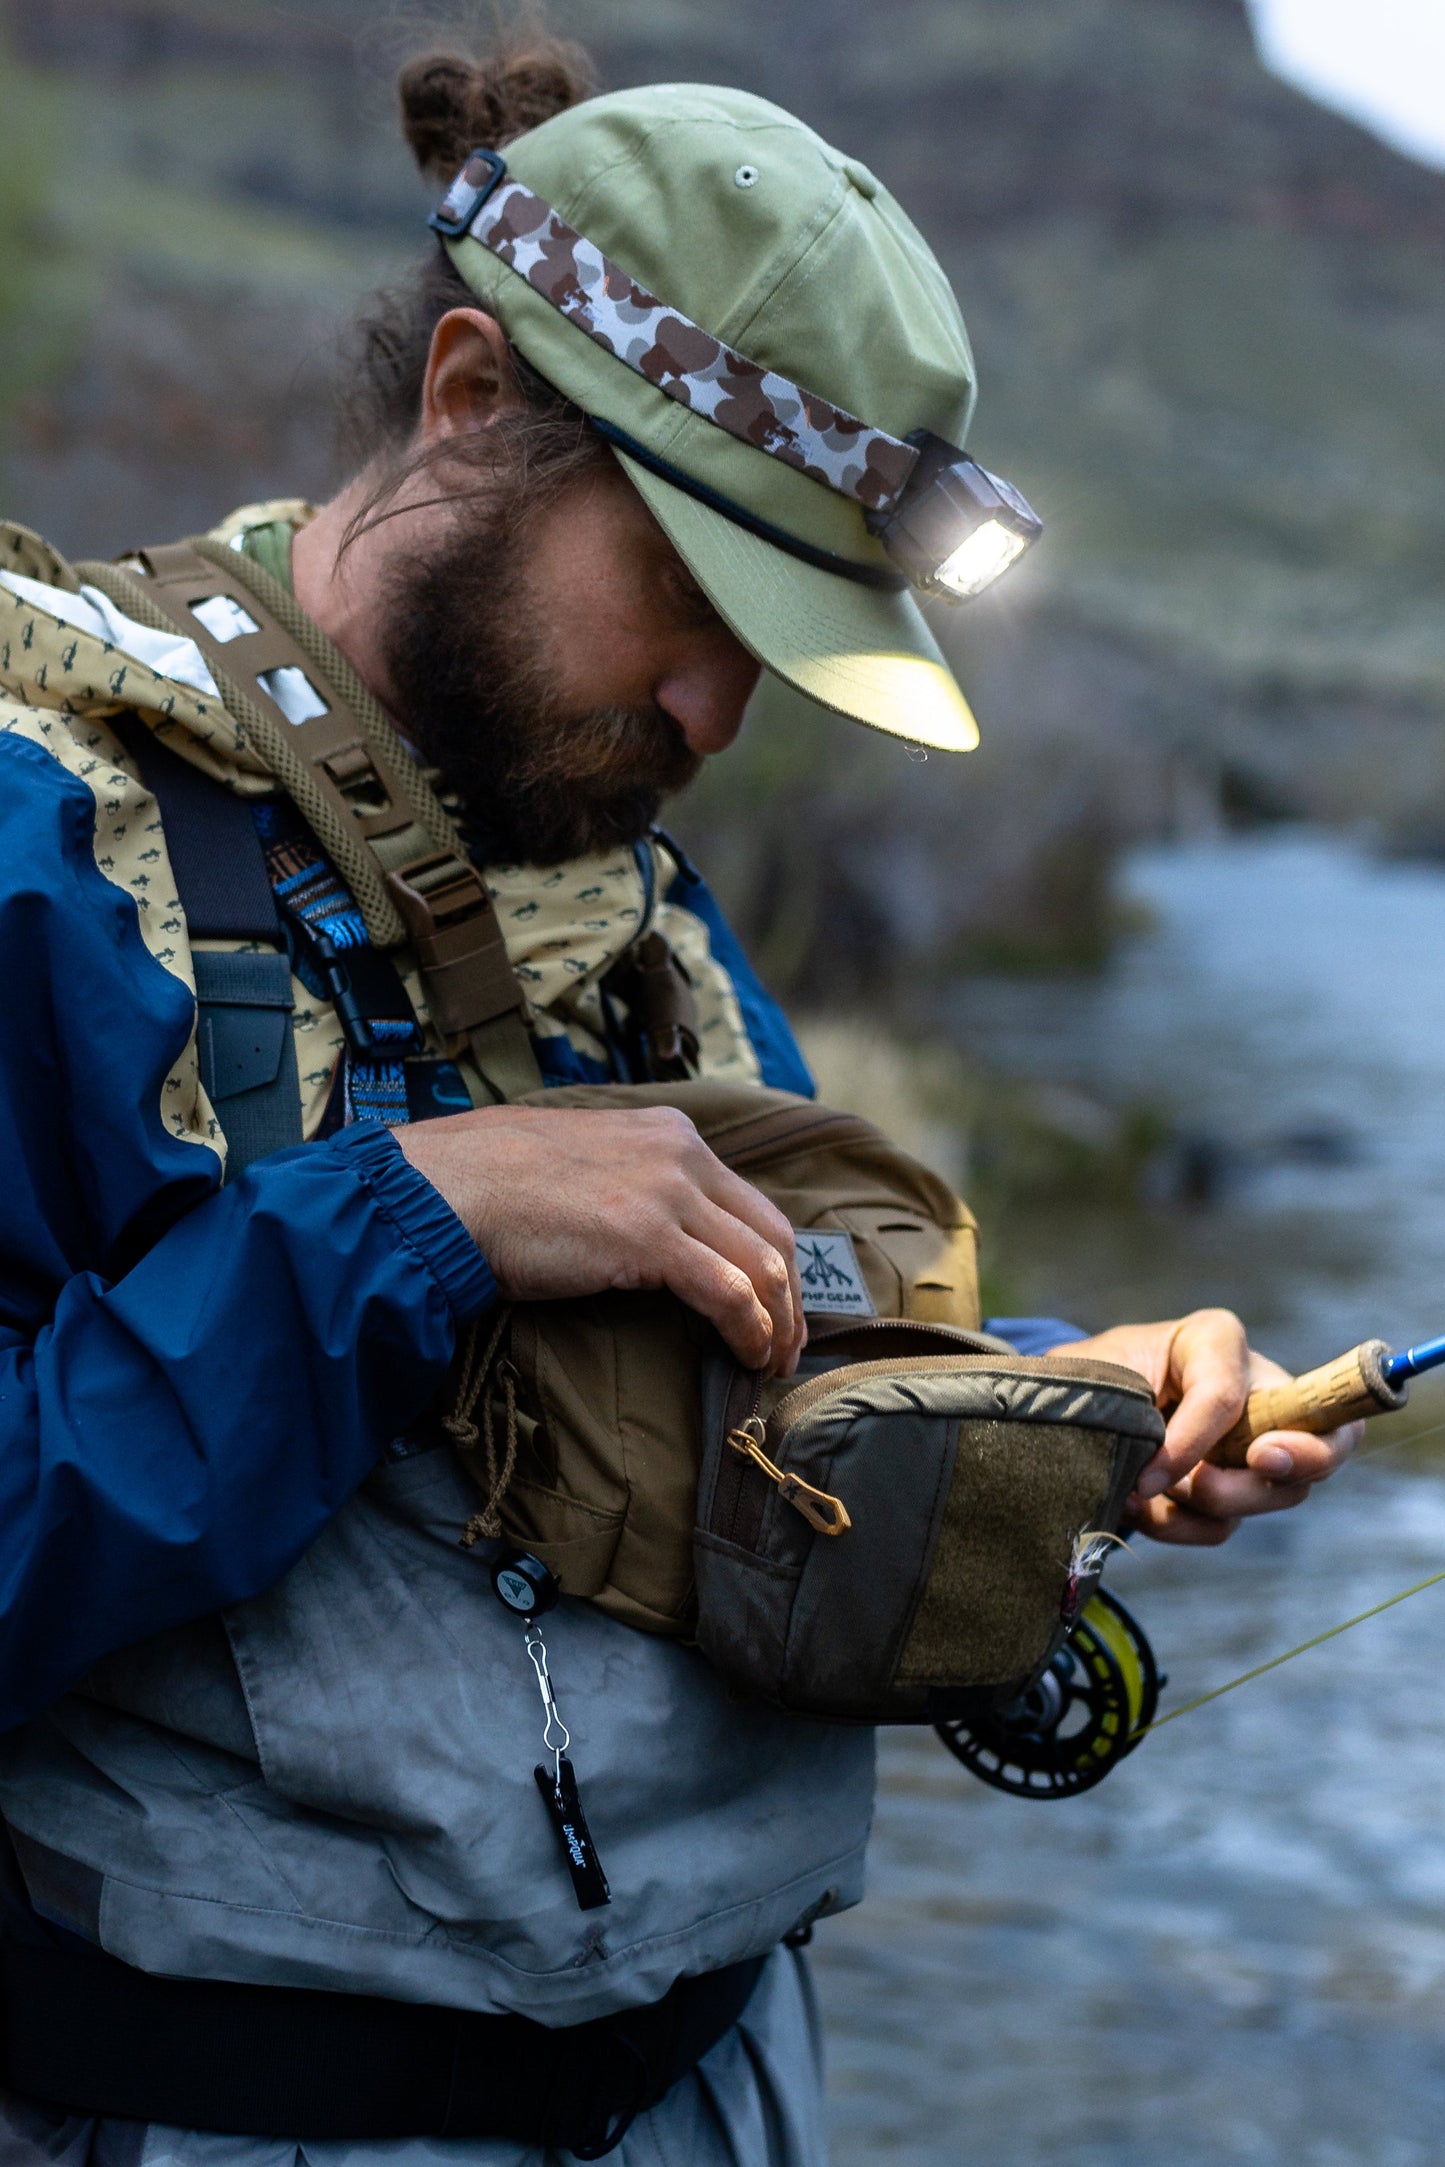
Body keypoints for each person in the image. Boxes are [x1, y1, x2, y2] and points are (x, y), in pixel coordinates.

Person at [0, 31, 1357, 2167]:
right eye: (699, 598)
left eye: (793, 643)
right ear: (470, 404)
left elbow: (739, 1397)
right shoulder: (40, 847)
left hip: (725, 2102)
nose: (723, 708)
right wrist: (408, 1215)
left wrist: (1033, 1419)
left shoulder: (627, 901)